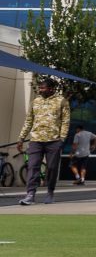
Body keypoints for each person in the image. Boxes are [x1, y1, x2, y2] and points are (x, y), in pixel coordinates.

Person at [17, 77, 71, 205]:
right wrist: (21, 138)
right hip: (36, 140)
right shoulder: (35, 101)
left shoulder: (61, 101)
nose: (40, 90)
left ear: (51, 89)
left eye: (43, 88)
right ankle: (30, 194)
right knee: (33, 166)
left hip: (54, 141)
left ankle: (50, 192)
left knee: (52, 168)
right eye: (39, 88)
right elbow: (28, 121)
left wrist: (61, 138)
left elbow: (65, 121)